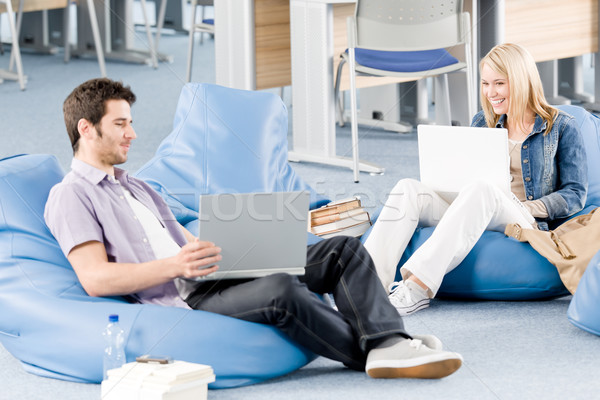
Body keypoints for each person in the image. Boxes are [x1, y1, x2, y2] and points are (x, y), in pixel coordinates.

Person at [44, 78, 463, 379]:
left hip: (211, 272)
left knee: (342, 249)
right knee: (281, 289)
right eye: (120, 124)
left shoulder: (135, 185)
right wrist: (177, 266)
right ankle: (378, 350)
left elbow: (183, 239)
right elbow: (95, 278)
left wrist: (237, 242)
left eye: (130, 122)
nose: (132, 133)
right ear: (86, 128)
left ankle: (388, 341)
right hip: (183, 299)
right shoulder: (71, 195)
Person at [364, 43, 588, 316]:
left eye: (499, 83)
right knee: (408, 188)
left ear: (520, 81)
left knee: (483, 189)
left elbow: (575, 194)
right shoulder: (482, 121)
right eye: (485, 83)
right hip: (475, 207)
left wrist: (529, 207)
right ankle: (365, 287)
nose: (490, 93)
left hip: (524, 217)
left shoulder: (561, 126)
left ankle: (417, 287)